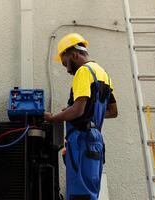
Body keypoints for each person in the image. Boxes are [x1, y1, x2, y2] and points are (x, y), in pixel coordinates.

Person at [44, 33, 118, 200]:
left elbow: (78, 110)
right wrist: (84, 112)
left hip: (82, 140)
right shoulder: (103, 74)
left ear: (74, 55)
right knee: (90, 192)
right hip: (95, 140)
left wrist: (54, 118)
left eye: (65, 63)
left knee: (79, 194)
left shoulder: (83, 72)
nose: (67, 69)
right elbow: (112, 111)